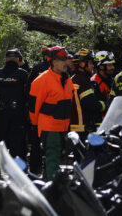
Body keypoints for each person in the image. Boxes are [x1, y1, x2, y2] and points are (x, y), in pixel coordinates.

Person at [29, 46, 73, 181]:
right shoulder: (41, 81)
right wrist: (37, 126)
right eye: (62, 60)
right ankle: (54, 190)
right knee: (53, 157)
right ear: (53, 61)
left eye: (66, 59)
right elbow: (33, 107)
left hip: (63, 126)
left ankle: (46, 186)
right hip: (49, 126)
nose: (66, 62)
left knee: (53, 158)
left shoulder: (67, 79)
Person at [0, 48, 29, 162]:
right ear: (18, 59)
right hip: (18, 115)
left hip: (2, 114)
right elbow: (29, 95)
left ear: (6, 59)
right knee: (18, 143)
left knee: (1, 143)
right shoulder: (23, 74)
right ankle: (18, 170)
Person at [25, 45, 52, 175]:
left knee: (40, 144)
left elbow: (28, 91)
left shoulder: (39, 68)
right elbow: (29, 90)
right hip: (43, 114)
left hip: (45, 113)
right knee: (39, 144)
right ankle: (40, 170)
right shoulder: (39, 68)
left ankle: (36, 170)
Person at [71, 49, 106, 135]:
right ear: (82, 64)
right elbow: (91, 104)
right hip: (85, 129)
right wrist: (105, 104)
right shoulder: (83, 81)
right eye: (90, 63)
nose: (93, 66)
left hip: (76, 128)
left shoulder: (73, 79)